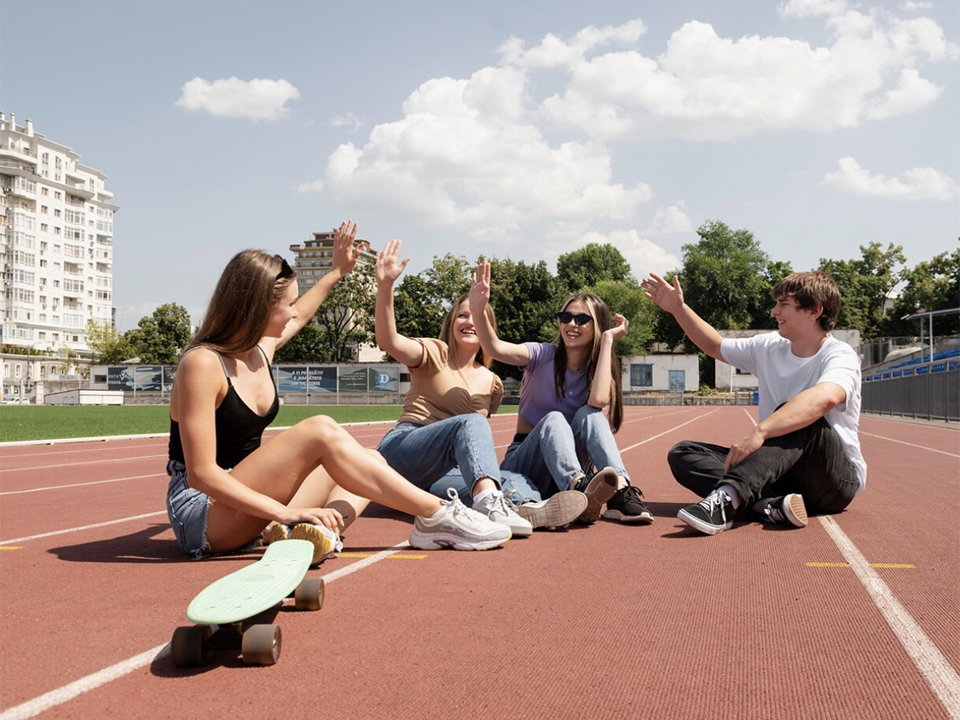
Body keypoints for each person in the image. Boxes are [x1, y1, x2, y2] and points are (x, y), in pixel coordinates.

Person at [165, 221, 511, 563]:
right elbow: (202, 475)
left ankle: (321, 533)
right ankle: (437, 514)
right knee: (319, 430)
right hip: (203, 514)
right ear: (260, 307)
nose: (293, 312)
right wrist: (284, 512)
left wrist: (337, 272)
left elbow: (300, 317)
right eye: (288, 303)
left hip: (249, 505)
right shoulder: (202, 364)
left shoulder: (258, 352)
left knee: (373, 459)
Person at [375, 239, 584, 537]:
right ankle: (492, 504)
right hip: (403, 454)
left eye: (477, 316)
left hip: (439, 475)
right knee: (471, 423)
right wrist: (385, 287)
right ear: (451, 322)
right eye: (463, 315)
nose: (469, 322)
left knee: (509, 475)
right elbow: (389, 341)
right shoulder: (432, 352)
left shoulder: (492, 383)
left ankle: (529, 506)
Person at [642, 270, 866, 535]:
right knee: (683, 453)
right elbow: (715, 346)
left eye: (783, 304)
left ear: (814, 311)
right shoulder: (769, 346)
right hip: (781, 477)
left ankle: (727, 500)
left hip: (831, 482)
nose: (774, 312)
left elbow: (825, 397)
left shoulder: (840, 355)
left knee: (796, 414)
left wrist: (761, 430)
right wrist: (679, 309)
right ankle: (768, 505)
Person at [458, 262, 654, 526]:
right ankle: (579, 490)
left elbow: (598, 401)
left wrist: (607, 340)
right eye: (566, 317)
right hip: (527, 464)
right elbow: (494, 346)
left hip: (571, 465)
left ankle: (620, 492)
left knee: (591, 414)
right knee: (554, 418)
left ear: (597, 326)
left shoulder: (597, 369)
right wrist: (479, 310)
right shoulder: (541, 355)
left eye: (583, 319)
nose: (571, 324)